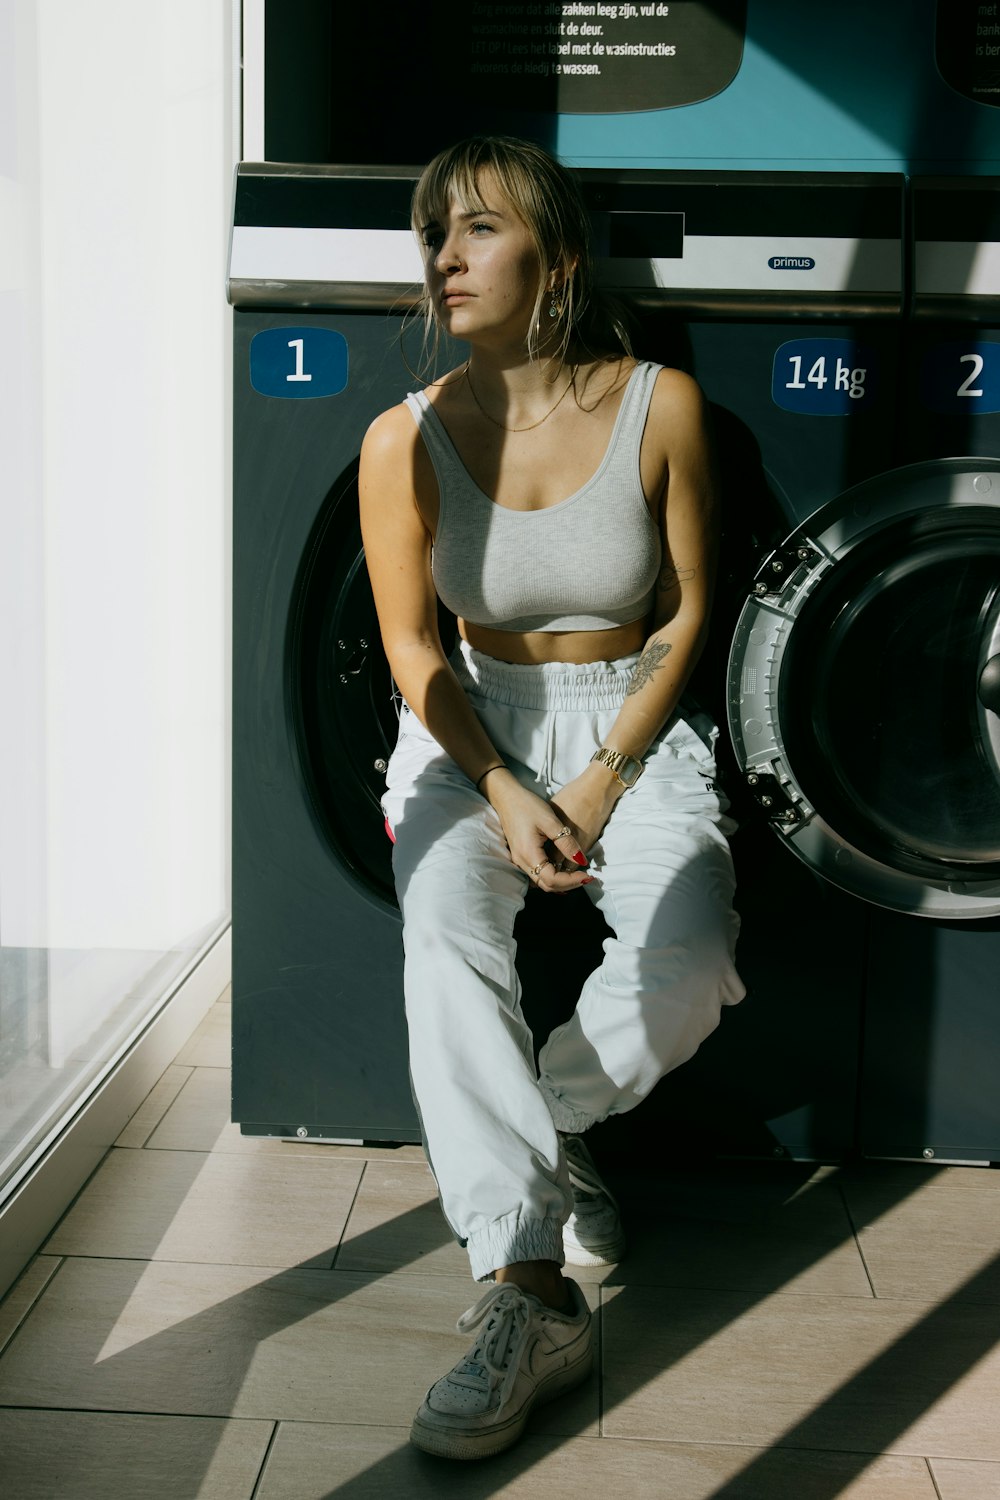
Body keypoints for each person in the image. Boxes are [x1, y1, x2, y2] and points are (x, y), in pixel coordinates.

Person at [359, 135, 744, 1462]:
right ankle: (524, 1294)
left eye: (475, 230)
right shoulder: (399, 439)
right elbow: (414, 651)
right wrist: (507, 786)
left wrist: (600, 772)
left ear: (558, 260)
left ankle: (556, 1112)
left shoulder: (664, 405)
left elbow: (694, 612)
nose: (444, 257)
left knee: (686, 965)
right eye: (432, 236)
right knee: (443, 938)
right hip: (472, 735)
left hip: (630, 724)